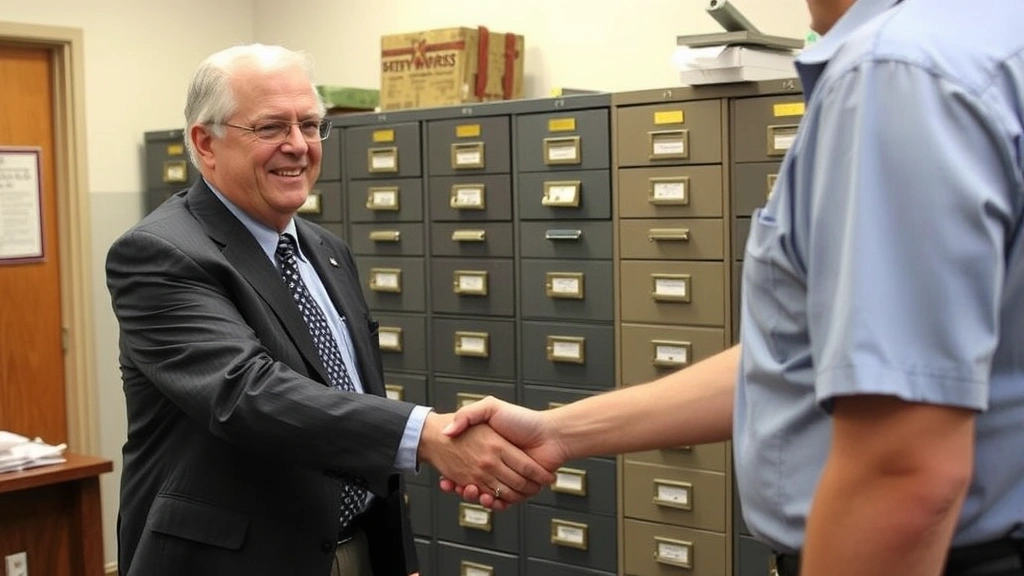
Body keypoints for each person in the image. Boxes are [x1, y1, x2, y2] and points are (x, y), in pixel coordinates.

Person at [441, 1, 1024, 575]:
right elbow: (819, 360)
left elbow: (901, 470)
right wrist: (560, 431)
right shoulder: (992, 39)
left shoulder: (896, 75)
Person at [106, 44, 552, 576]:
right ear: (206, 142)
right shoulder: (159, 254)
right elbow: (244, 393)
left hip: (353, 547)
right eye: (271, 127)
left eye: (311, 125)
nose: (298, 146)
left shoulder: (325, 251)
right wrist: (427, 435)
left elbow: (356, 398)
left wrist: (394, 553)